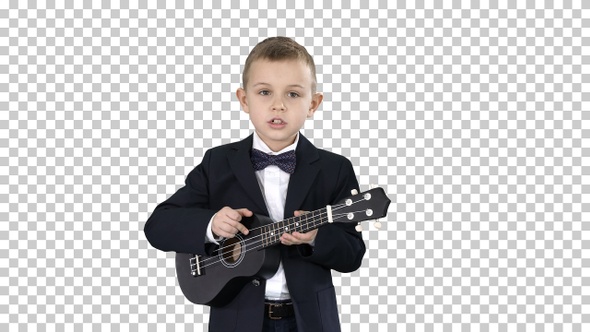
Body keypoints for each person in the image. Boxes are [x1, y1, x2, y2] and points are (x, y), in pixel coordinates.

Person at [144, 36, 366, 332]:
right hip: (236, 318)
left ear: (313, 104)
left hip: (309, 321)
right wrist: (210, 225)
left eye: (293, 95)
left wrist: (315, 238)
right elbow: (158, 226)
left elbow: (352, 255)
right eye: (264, 92)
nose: (278, 105)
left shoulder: (334, 168)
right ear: (244, 100)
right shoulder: (218, 162)